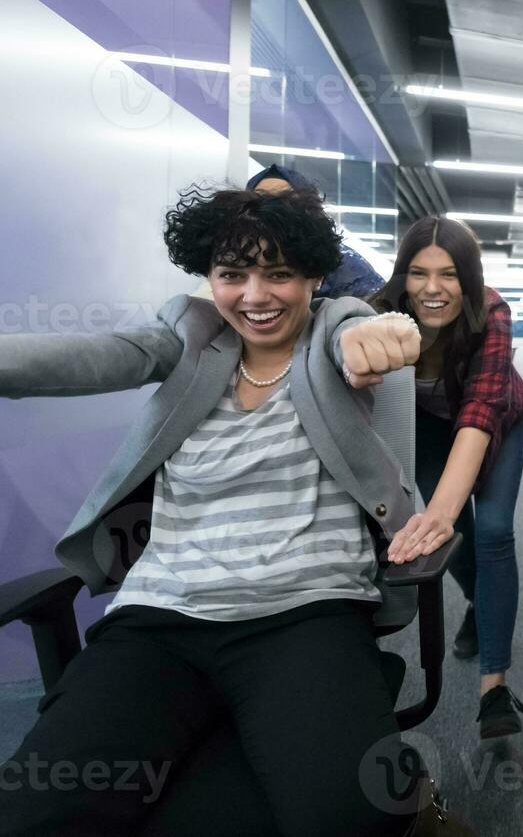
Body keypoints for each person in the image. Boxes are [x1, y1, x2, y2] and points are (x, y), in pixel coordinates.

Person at [0, 185, 432, 835]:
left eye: (280, 274)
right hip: (161, 618)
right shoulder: (190, 336)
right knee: (37, 812)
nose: (255, 296)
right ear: (210, 277)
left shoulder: (334, 336)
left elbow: (361, 334)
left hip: (304, 614)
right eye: (233, 274)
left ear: (313, 275)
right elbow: (88, 356)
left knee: (352, 817)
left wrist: (386, 330)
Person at [372, 215, 523, 739]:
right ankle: (475, 602)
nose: (433, 289)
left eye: (449, 274)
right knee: (450, 539)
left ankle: (494, 688)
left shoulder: (492, 313)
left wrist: (438, 513)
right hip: (429, 428)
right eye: (418, 273)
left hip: (497, 421)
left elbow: (482, 408)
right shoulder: (379, 313)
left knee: (490, 531)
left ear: (469, 276)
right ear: (402, 276)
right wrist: (439, 516)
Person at [245, 163, 385, 299]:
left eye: (284, 199)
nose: (271, 209)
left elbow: (376, 313)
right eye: (261, 198)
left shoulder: (344, 265)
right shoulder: (235, 255)